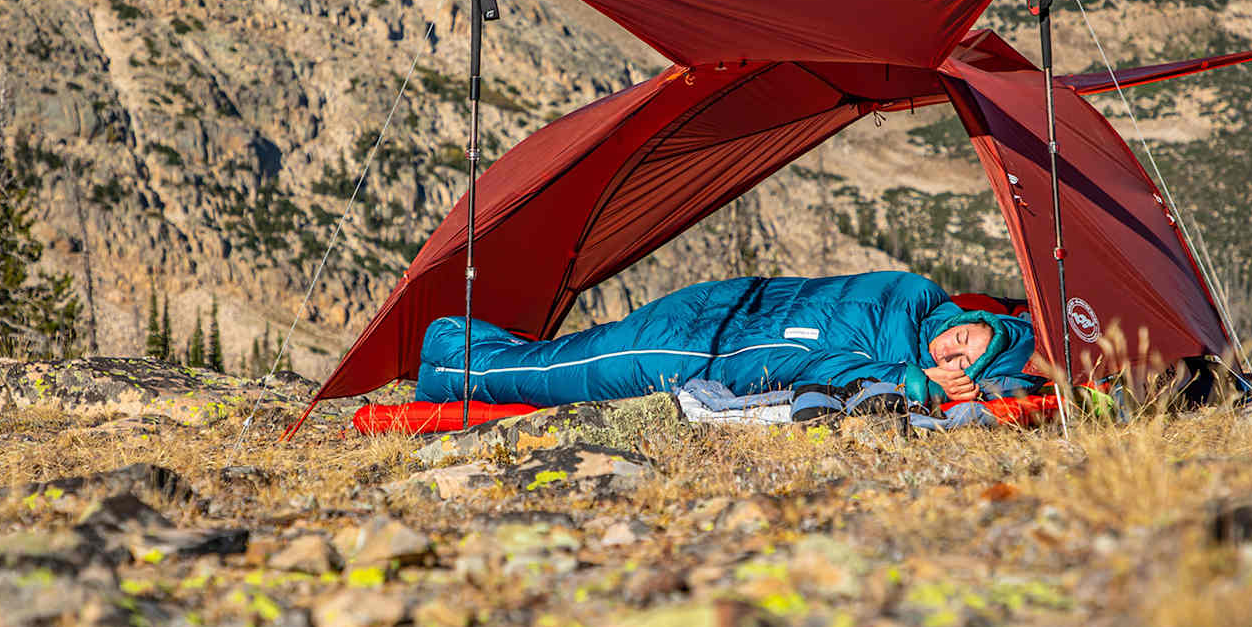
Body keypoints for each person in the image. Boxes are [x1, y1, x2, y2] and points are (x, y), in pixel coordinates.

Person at [415, 271, 1037, 409]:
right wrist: (911, 381)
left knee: (583, 353)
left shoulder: (919, 324)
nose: (948, 351)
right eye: (963, 337)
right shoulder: (911, 299)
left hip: (724, 325)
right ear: (974, 318)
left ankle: (466, 343)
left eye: (959, 361)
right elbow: (820, 358)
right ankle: (449, 364)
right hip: (712, 337)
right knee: (581, 370)